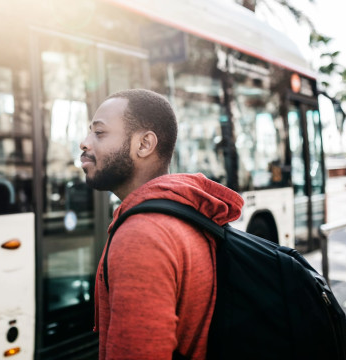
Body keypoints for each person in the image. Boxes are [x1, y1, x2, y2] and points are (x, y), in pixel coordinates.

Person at [79, 89, 244, 359]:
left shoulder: (141, 237)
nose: (84, 143)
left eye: (100, 133)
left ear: (144, 144)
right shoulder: (187, 212)